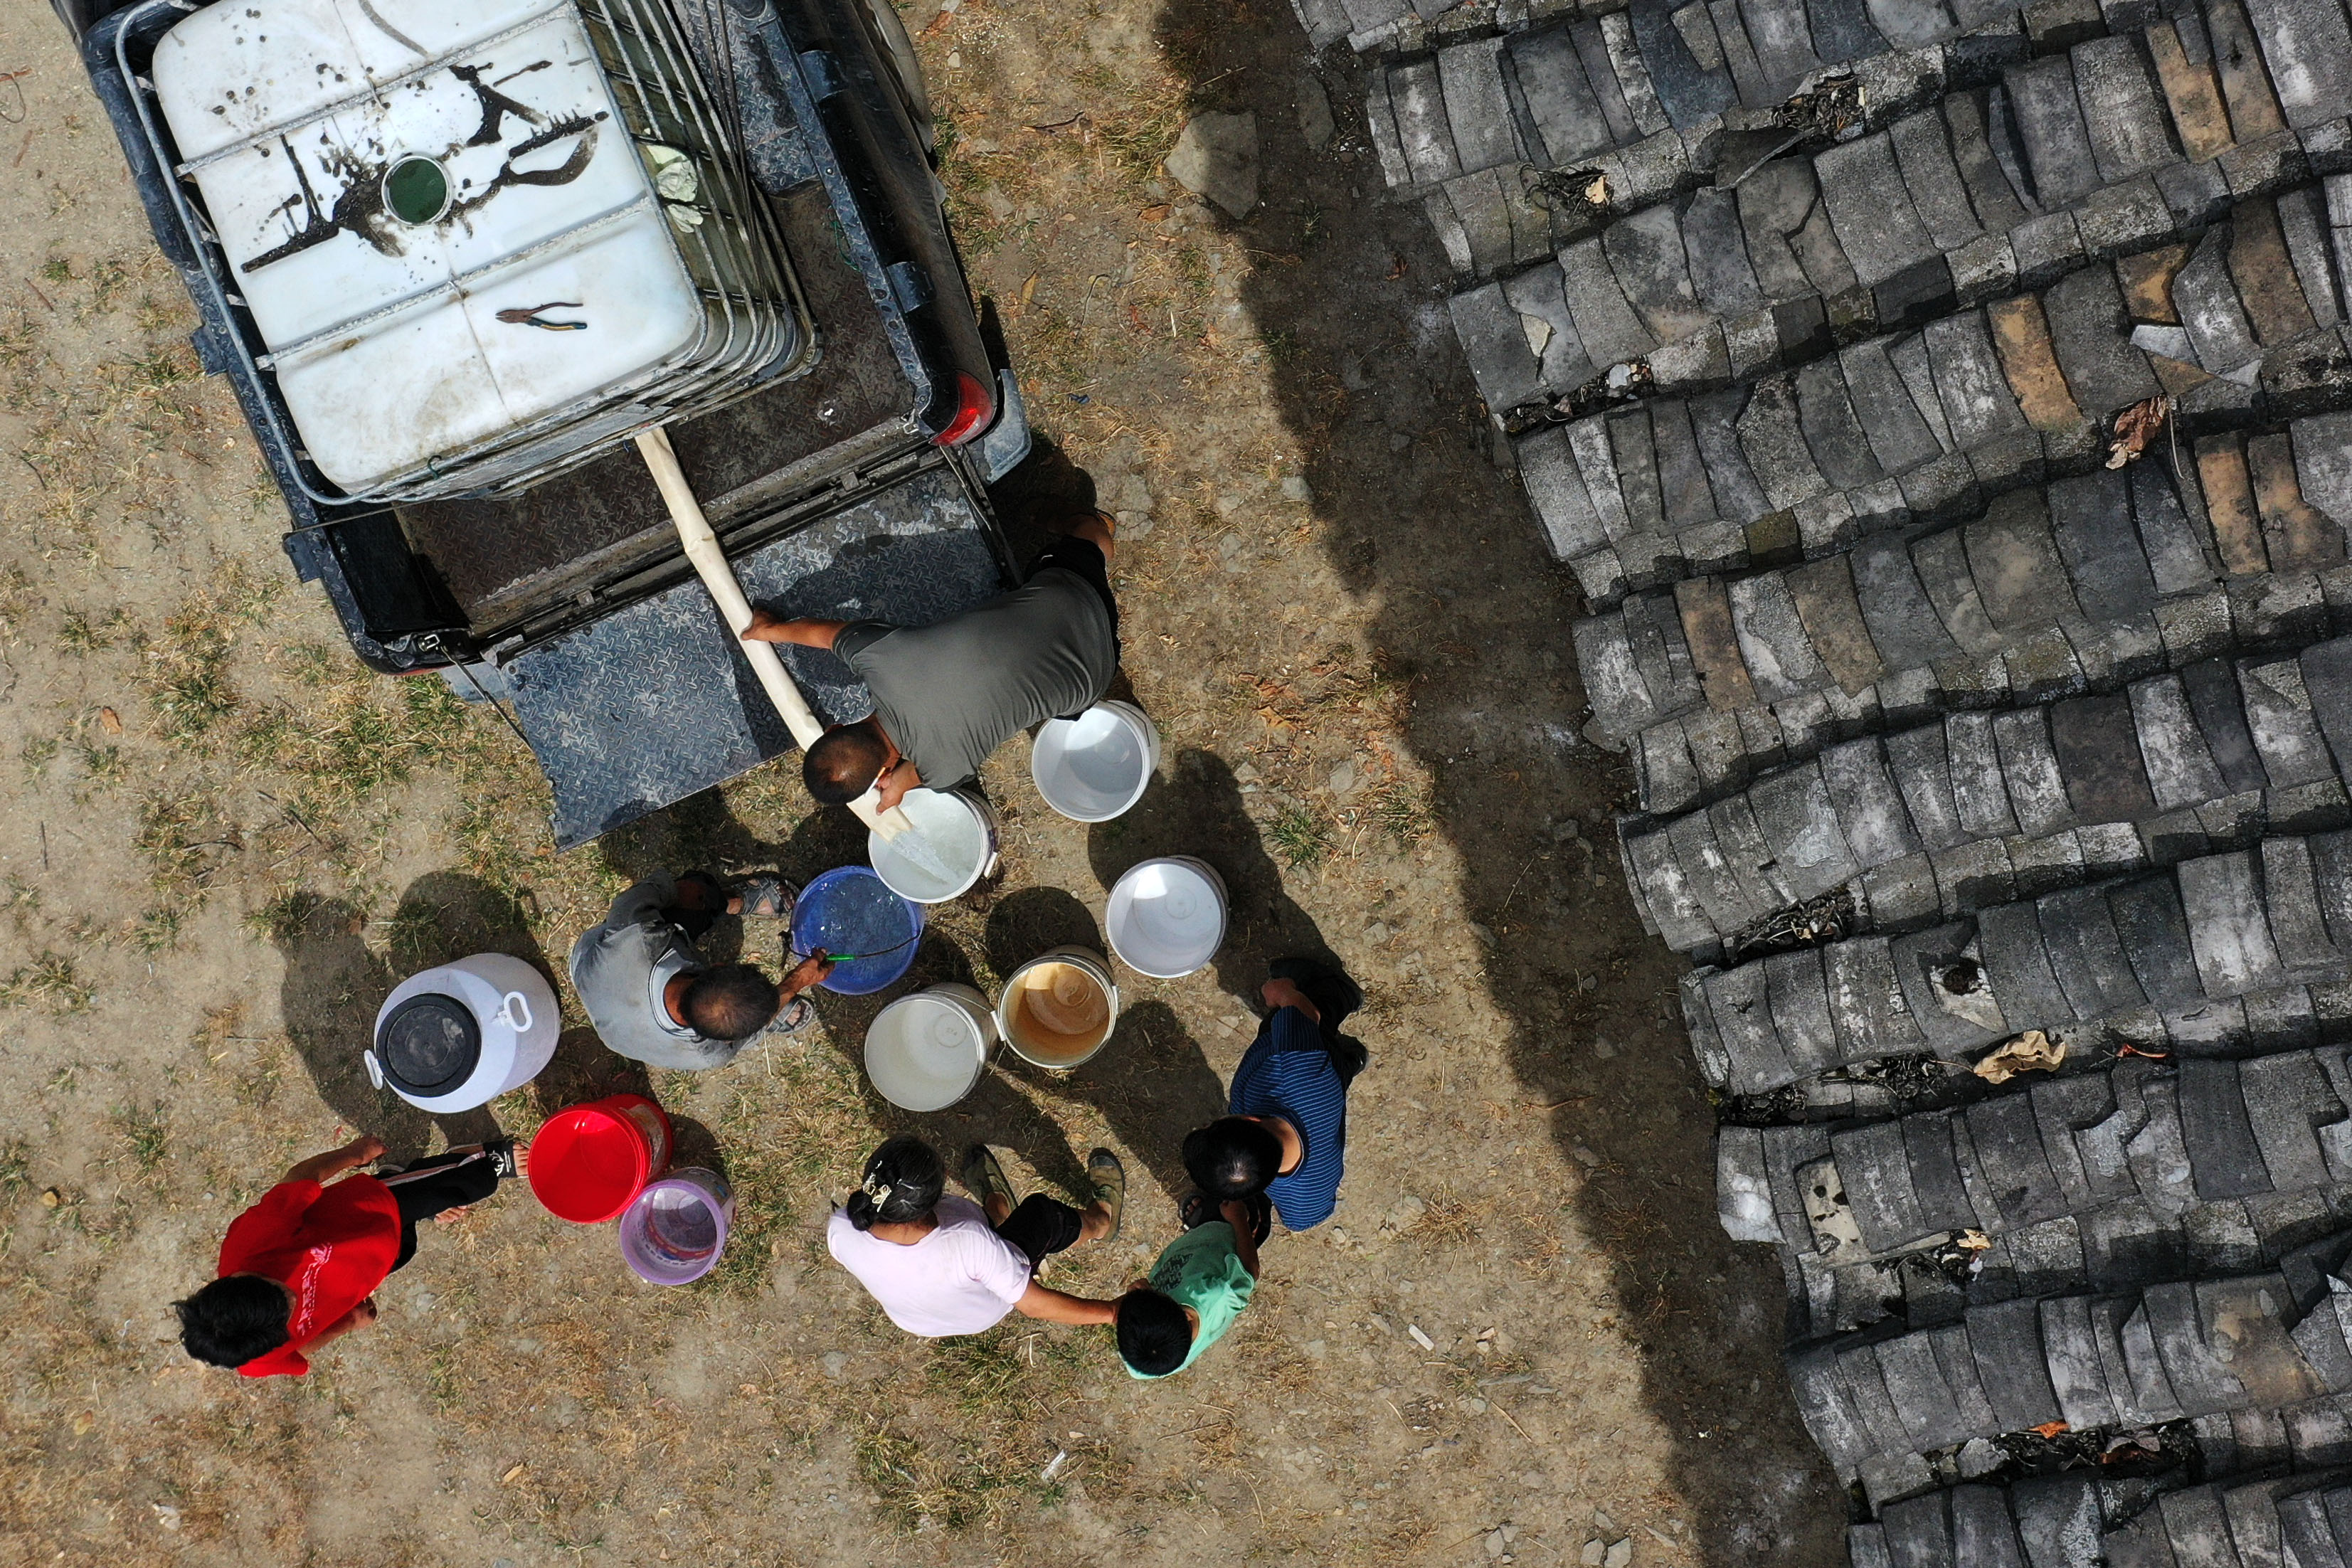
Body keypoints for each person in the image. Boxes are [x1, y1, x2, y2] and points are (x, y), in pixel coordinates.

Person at [741, 512, 1120, 810]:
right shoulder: (880, 658)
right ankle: (1088, 525)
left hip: (1095, 676)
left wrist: (901, 785)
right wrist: (769, 629)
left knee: (1063, 705)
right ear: (833, 727)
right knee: (1090, 535)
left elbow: (924, 777)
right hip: (1070, 592)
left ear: (883, 772)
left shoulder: (943, 770)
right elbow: (822, 635)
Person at [174, 1132, 518, 1377]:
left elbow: (302, 1177)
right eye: (287, 1315)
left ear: (238, 1277)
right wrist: (348, 1323)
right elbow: (298, 1352)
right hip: (369, 1269)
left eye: (280, 1291)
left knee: (465, 1185)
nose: (294, 1298)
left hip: (369, 1209)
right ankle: (405, 1180)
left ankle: (482, 1160)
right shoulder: (257, 1357)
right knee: (405, 1250)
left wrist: (355, 1153)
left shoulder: (254, 1238)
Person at [827, 1136, 1128, 1337]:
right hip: (986, 1304)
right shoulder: (968, 1244)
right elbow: (1036, 1306)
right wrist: (1113, 1312)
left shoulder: (841, 1228)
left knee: (991, 1229)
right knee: (1042, 1216)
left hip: (919, 1319)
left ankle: (999, 1207)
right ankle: (1102, 1222)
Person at [569, 869, 832, 1071]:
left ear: (715, 967)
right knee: (700, 890)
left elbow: (634, 899)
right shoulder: (710, 1054)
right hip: (619, 1014)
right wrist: (794, 982)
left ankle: (730, 901)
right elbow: (739, 1037)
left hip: (604, 993)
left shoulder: (634, 928)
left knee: (695, 892)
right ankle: (764, 1011)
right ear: (713, 964)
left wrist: (676, 892)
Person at [1182, 958, 1366, 1232]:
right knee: (1320, 1015)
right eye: (1211, 1124)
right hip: (1307, 1062)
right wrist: (1285, 993)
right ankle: (1342, 992)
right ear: (1252, 1120)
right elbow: (1308, 1015)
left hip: (1328, 1092)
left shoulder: (1303, 1195)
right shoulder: (1292, 1069)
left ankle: (1352, 1061)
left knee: (1336, 1071)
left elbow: (1300, 1221)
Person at [1116, 1195, 1261, 1379]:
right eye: (1151, 1292)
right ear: (1185, 1314)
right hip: (1225, 1237)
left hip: (1194, 1249)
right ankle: (1251, 1226)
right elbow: (1249, 1271)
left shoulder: (1141, 1366)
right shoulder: (1218, 1296)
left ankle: (1199, 1225)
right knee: (1244, 1197)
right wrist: (1240, 1221)